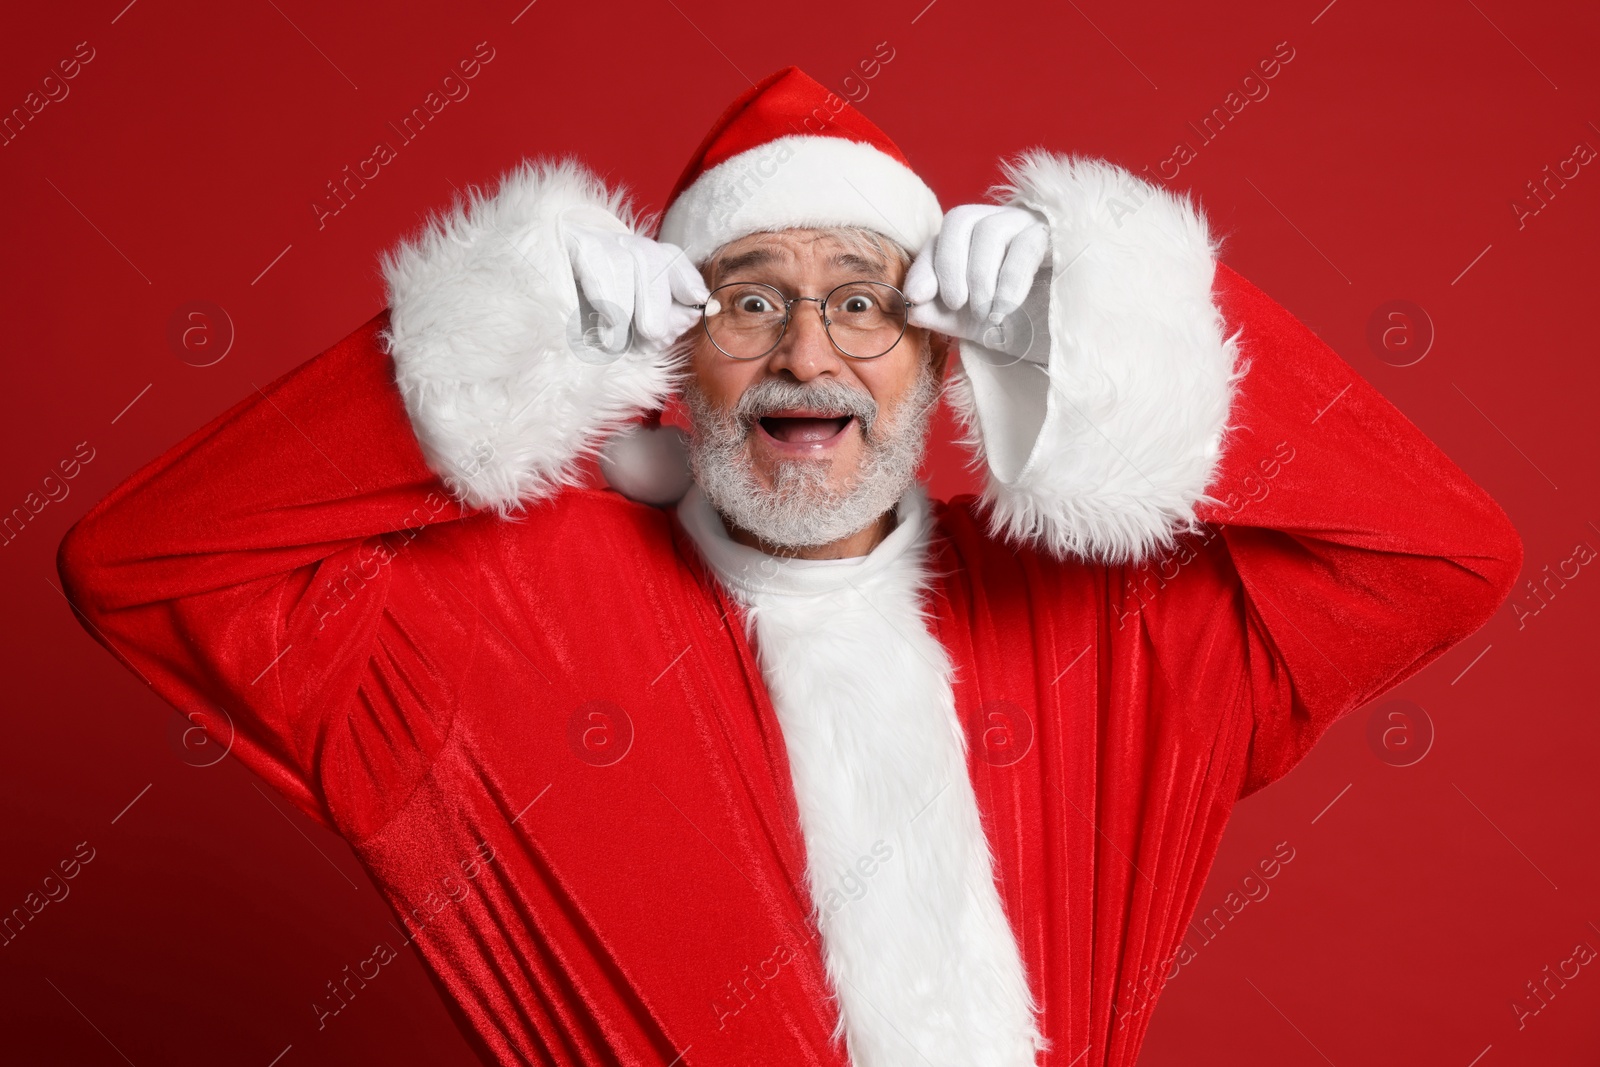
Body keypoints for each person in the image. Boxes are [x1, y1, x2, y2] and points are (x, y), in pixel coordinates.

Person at [58, 67, 1520, 1066]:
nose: (808, 351)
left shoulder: (1115, 633)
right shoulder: (474, 634)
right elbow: (139, 565)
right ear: (666, 349)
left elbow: (1441, 556)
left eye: (862, 304)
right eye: (751, 298)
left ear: (949, 354)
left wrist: (1121, 332)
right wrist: (491, 338)